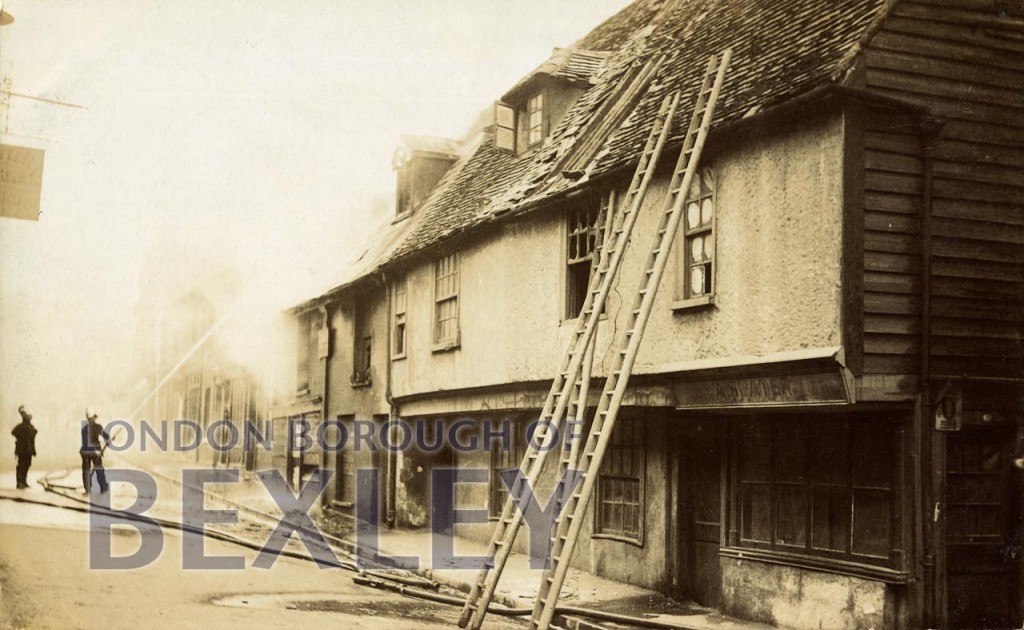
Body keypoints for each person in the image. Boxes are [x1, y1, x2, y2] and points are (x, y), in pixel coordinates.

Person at [80, 407, 109, 494]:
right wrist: (109, 439)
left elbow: (86, 443)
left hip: (86, 453)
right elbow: (106, 436)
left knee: (86, 470)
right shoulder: (98, 427)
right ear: (93, 418)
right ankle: (103, 488)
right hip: (95, 452)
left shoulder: (84, 429)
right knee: (99, 469)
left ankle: (88, 490)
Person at [11, 405, 37, 489]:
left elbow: (33, 438)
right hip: (22, 449)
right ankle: (19, 482)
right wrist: (21, 438)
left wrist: (33, 450)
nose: (28, 418)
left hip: (28, 449)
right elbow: (13, 432)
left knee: (26, 465)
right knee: (21, 465)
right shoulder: (21, 427)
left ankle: (23, 481)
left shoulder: (31, 427)